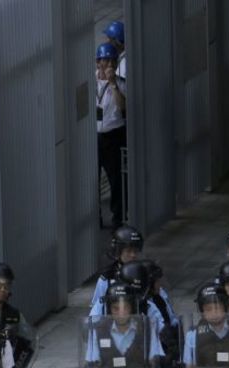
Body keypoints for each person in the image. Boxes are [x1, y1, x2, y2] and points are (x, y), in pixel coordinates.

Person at [96, 42, 127, 229]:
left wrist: (113, 84)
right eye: (104, 61)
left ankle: (117, 216)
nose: (107, 65)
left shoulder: (120, 83)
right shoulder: (91, 81)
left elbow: (122, 107)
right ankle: (95, 216)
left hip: (112, 135)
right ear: (98, 62)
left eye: (111, 62)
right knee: (92, 179)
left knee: (115, 178)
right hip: (95, 136)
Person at [90, 225, 144, 312]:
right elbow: (97, 311)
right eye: (129, 251)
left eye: (136, 251)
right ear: (118, 251)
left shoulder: (144, 274)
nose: (133, 255)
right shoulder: (106, 279)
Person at [103, 20, 127, 84]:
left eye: (109, 38)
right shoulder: (124, 57)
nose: (106, 41)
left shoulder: (123, 66)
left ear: (117, 42)